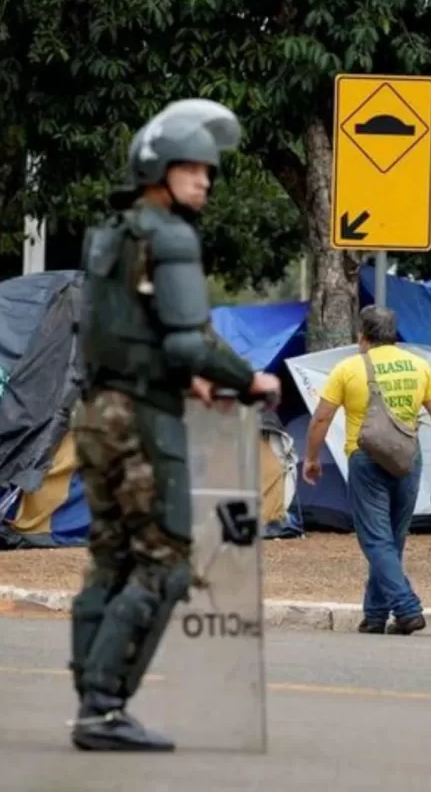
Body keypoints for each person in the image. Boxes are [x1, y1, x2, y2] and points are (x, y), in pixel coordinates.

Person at [68, 98, 281, 751]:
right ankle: (105, 708)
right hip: (140, 422)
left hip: (98, 412)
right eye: (194, 169)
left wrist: (185, 374)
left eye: (209, 172)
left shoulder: (112, 231)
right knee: (165, 563)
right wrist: (249, 378)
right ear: (159, 169)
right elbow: (188, 341)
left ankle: (91, 698)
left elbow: (127, 331)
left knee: (110, 560)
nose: (206, 181)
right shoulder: (172, 235)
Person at [301, 306, 431, 635]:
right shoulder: (419, 366)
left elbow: (322, 418)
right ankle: (374, 616)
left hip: (365, 458)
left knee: (375, 539)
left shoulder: (349, 369)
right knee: (391, 539)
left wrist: (311, 458)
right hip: (408, 458)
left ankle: (407, 608)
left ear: (363, 336)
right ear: (394, 335)